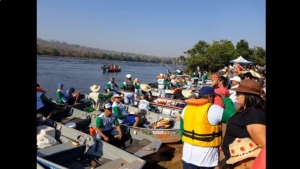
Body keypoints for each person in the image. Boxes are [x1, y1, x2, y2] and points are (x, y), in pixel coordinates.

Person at [222, 79, 266, 169]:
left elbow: (263, 145)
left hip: (246, 165)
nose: (236, 96)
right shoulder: (248, 111)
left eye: (238, 94)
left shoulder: (254, 114)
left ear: (248, 96)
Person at [180, 86, 224, 169]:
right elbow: (231, 116)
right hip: (207, 160)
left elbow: (182, 128)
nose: (214, 99)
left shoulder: (186, 108)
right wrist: (226, 100)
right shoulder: (214, 109)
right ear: (210, 97)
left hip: (187, 156)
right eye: (214, 97)